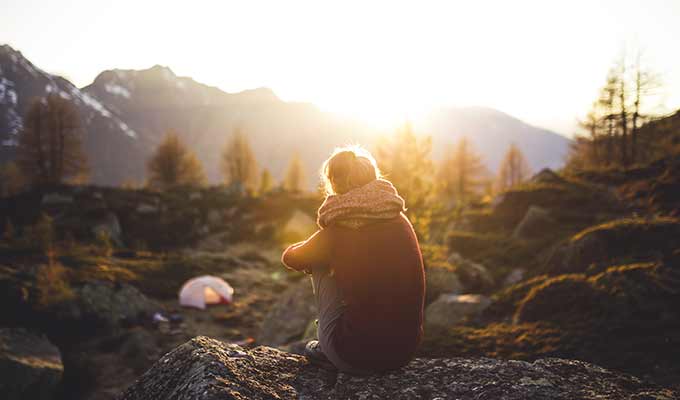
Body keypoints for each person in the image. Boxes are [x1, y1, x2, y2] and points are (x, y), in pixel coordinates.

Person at [281, 145, 425, 374]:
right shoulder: (399, 219)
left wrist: (320, 246)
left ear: (335, 184)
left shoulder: (338, 230)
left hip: (354, 357)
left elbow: (292, 258)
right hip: (403, 354)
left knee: (318, 262)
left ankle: (329, 343)